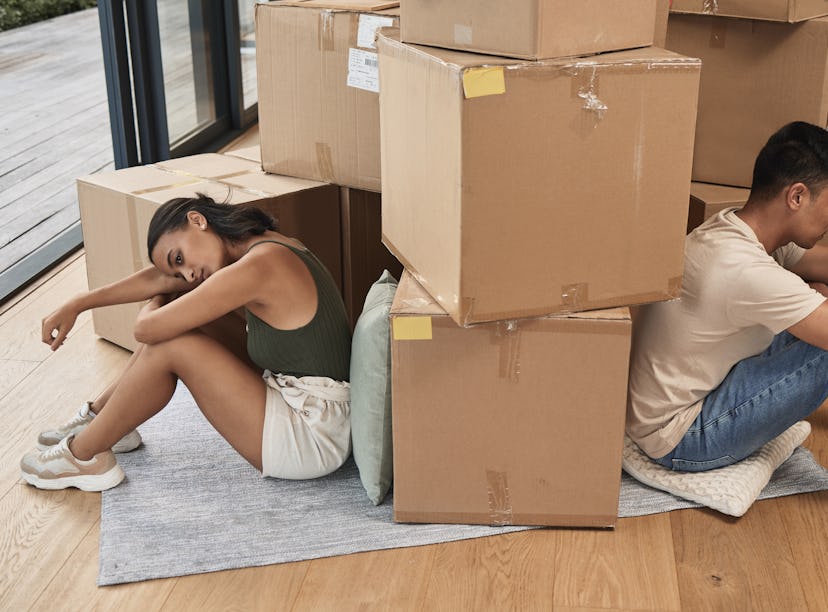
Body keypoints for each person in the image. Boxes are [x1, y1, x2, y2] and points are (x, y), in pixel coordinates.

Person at [20, 194, 352, 490]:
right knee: (188, 323)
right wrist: (79, 302)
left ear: (198, 220)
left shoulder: (260, 266)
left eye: (179, 259)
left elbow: (146, 329)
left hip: (312, 439)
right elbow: (158, 277)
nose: (189, 275)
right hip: (308, 404)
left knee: (170, 343)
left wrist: (162, 298)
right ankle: (104, 421)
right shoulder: (258, 247)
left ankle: (83, 455)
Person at [627, 121, 828, 472]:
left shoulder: (737, 229)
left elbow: (822, 267)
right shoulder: (743, 268)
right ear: (797, 196)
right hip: (682, 436)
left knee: (818, 294)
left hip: (676, 404)